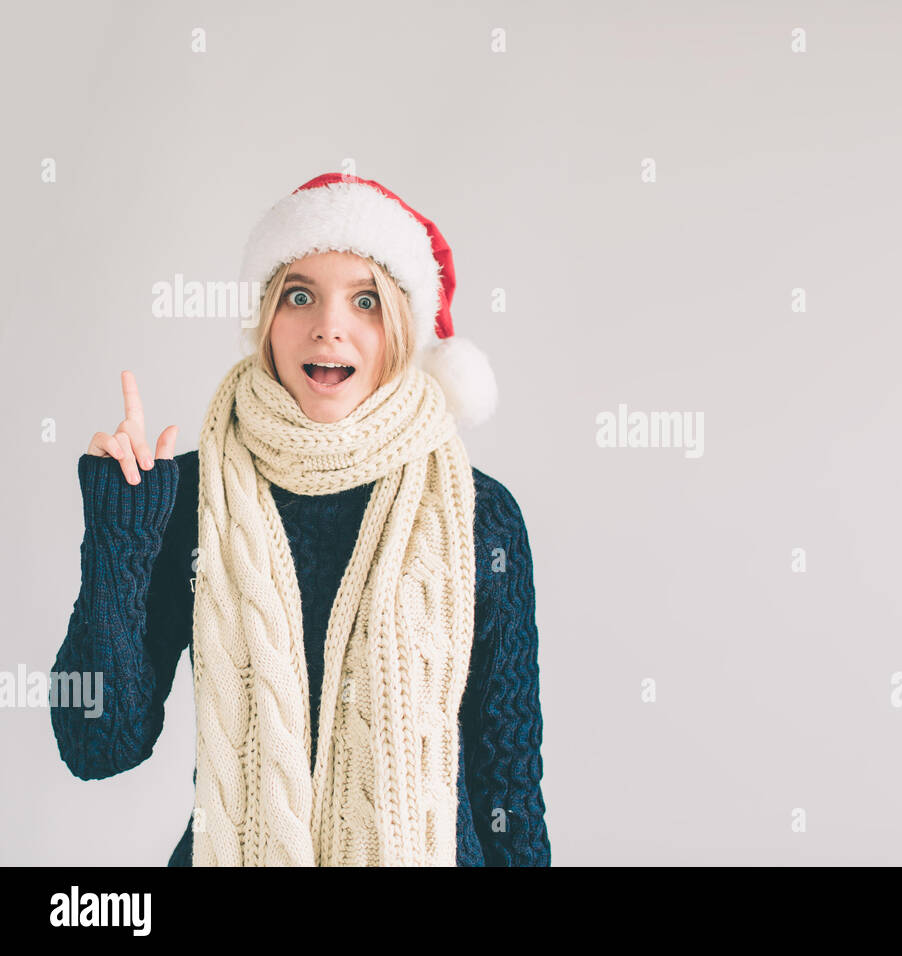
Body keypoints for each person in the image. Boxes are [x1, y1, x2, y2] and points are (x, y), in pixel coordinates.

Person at [50, 173, 550, 866]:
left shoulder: (478, 514)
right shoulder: (191, 496)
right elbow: (98, 745)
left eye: (367, 300)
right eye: (300, 294)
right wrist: (119, 538)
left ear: (404, 327)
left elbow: (509, 788)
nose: (328, 325)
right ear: (267, 319)